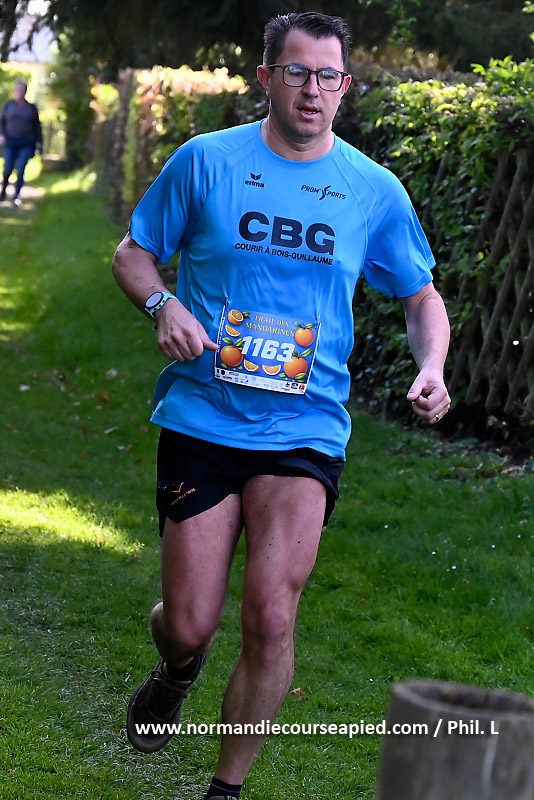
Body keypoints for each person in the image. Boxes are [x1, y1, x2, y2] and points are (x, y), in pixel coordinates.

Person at [112, 11, 451, 800]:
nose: (312, 90)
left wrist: (432, 365)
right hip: (204, 414)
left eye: (328, 76)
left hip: (305, 425)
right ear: (266, 78)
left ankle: (225, 790)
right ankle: (177, 669)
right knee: (188, 622)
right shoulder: (207, 162)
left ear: (346, 87)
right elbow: (134, 253)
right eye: (296, 72)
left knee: (271, 615)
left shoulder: (373, 189)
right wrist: (163, 303)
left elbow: (421, 296)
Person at [0, 81, 43, 206]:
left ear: (25, 91)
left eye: (22, 90)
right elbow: (1, 122)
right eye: (18, 89)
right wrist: (1, 135)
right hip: (10, 142)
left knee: (21, 168)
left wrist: (40, 143)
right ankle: (3, 190)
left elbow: (37, 127)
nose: (20, 92)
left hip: (26, 142)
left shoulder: (31, 108)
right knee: (8, 168)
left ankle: (16, 196)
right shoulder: (8, 106)